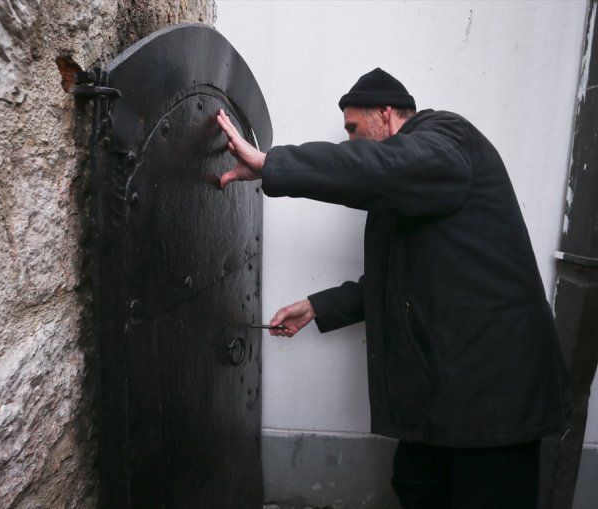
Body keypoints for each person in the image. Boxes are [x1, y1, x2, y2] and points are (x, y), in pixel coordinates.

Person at [217, 68, 572, 509]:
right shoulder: (408, 184)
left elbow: (378, 167)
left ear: (386, 114)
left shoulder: (447, 137)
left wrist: (274, 164)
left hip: (491, 397)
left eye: (353, 128)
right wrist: (316, 306)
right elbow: (402, 282)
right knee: (415, 486)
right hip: (446, 395)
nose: (350, 142)